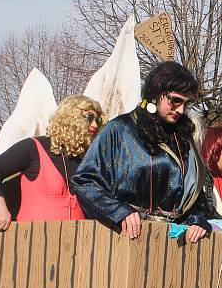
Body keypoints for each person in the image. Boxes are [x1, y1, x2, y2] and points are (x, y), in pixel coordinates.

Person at [71, 61, 210, 243]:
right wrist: (119, 212)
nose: (181, 109)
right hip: (125, 237)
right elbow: (84, 181)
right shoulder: (120, 129)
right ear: (154, 94)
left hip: (174, 243)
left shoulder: (183, 137)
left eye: (186, 103)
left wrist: (196, 219)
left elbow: (194, 194)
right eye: (175, 100)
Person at [0, 95, 105, 231]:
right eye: (89, 118)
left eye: (97, 120)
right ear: (70, 116)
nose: (94, 125)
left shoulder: (90, 161)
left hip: (79, 242)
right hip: (34, 241)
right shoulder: (34, 147)